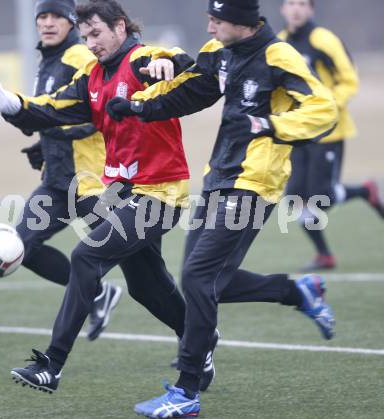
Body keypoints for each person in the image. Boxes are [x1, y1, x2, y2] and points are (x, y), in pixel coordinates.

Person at [0, 0, 219, 396]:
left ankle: (51, 365)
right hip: (121, 194)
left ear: (120, 27)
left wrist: (168, 66)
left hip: (159, 194)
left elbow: (177, 59)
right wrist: (8, 103)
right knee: (146, 285)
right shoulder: (92, 77)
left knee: (86, 256)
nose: (90, 43)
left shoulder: (141, 59)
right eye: (85, 36)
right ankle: (201, 338)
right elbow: (53, 109)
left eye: (96, 34)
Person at [107, 0, 338, 416]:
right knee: (207, 281)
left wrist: (272, 125)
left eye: (216, 19)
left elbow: (324, 110)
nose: (209, 25)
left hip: (255, 182)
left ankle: (187, 391)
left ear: (242, 23)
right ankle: (296, 291)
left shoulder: (278, 55)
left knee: (198, 277)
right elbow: (192, 90)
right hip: (220, 177)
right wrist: (140, 106)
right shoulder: (219, 51)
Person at [16, 0, 121, 341]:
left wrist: (54, 134)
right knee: (21, 247)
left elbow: (95, 114)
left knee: (143, 269)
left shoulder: (79, 56)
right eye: (42, 17)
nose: (47, 23)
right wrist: (43, 146)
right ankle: (100, 294)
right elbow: (55, 116)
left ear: (71, 23)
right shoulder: (46, 61)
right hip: (58, 181)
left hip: (91, 183)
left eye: (56, 17)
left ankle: (194, 337)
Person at [279, 0, 384, 271]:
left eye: (302, 3)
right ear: (282, 9)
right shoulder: (279, 43)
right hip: (297, 132)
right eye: (291, 3)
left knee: (321, 195)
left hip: (328, 131)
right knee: (295, 199)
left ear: (311, 9)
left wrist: (325, 109)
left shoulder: (323, 40)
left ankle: (365, 191)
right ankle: (324, 255)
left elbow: (349, 79)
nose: (296, 9)